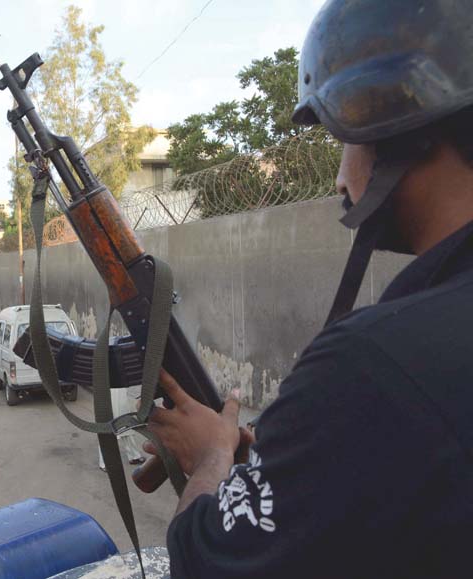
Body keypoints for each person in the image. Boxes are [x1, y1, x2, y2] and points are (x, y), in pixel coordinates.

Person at [147, 2, 473, 577]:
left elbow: (204, 561)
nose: (339, 175)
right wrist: (287, 459)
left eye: (340, 139)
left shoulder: (371, 365)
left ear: (390, 121)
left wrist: (212, 456)